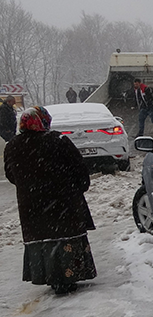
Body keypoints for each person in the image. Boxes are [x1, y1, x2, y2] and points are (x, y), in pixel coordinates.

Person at [4, 106, 97, 294]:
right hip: (63, 202)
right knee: (65, 237)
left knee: (44, 238)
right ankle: (70, 274)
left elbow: (10, 174)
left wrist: (29, 188)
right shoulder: (58, 140)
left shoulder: (12, 146)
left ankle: (47, 274)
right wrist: (78, 187)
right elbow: (78, 167)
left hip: (32, 206)